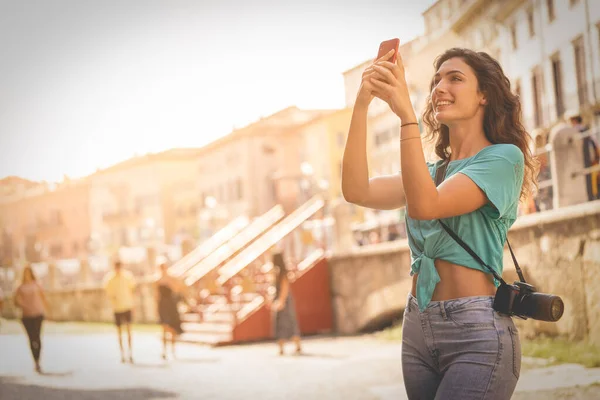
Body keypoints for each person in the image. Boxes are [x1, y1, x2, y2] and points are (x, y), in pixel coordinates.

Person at [341, 47, 537, 399]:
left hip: (475, 331)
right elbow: (356, 190)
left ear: (484, 96)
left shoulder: (504, 158)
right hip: (417, 326)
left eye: (455, 78)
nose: (440, 87)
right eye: (437, 79)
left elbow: (425, 206)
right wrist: (362, 103)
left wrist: (405, 115)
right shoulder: (430, 172)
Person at [14, 265, 49, 373]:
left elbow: (43, 298)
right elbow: (15, 301)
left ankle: (38, 361)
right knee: (31, 338)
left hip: (38, 314)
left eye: (29, 272)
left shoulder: (37, 284)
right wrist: (22, 304)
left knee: (37, 337)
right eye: (25, 272)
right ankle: (35, 361)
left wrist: (48, 311)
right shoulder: (20, 287)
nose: (27, 274)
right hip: (26, 315)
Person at [269, 251, 301, 356]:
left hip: (284, 301)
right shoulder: (276, 273)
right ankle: (281, 348)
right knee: (279, 325)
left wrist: (281, 301)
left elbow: (284, 288)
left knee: (289, 323)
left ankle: (297, 345)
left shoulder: (283, 273)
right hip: (279, 299)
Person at [103, 260, 136, 363]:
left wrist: (133, 304)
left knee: (129, 331)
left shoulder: (127, 276)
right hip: (117, 308)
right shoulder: (109, 279)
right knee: (120, 333)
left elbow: (132, 290)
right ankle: (122, 354)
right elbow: (107, 292)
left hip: (127, 306)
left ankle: (130, 353)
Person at [565, 110, 600, 201]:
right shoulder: (587, 131)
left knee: (590, 187)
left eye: (569, 122)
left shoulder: (577, 131)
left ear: (574, 121)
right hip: (593, 163)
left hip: (586, 163)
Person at [155, 262, 185, 360]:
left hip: (171, 305)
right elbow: (156, 295)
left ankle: (173, 350)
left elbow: (177, 290)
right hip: (163, 305)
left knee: (172, 328)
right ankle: (164, 350)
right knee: (164, 327)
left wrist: (170, 283)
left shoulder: (171, 278)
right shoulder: (157, 280)